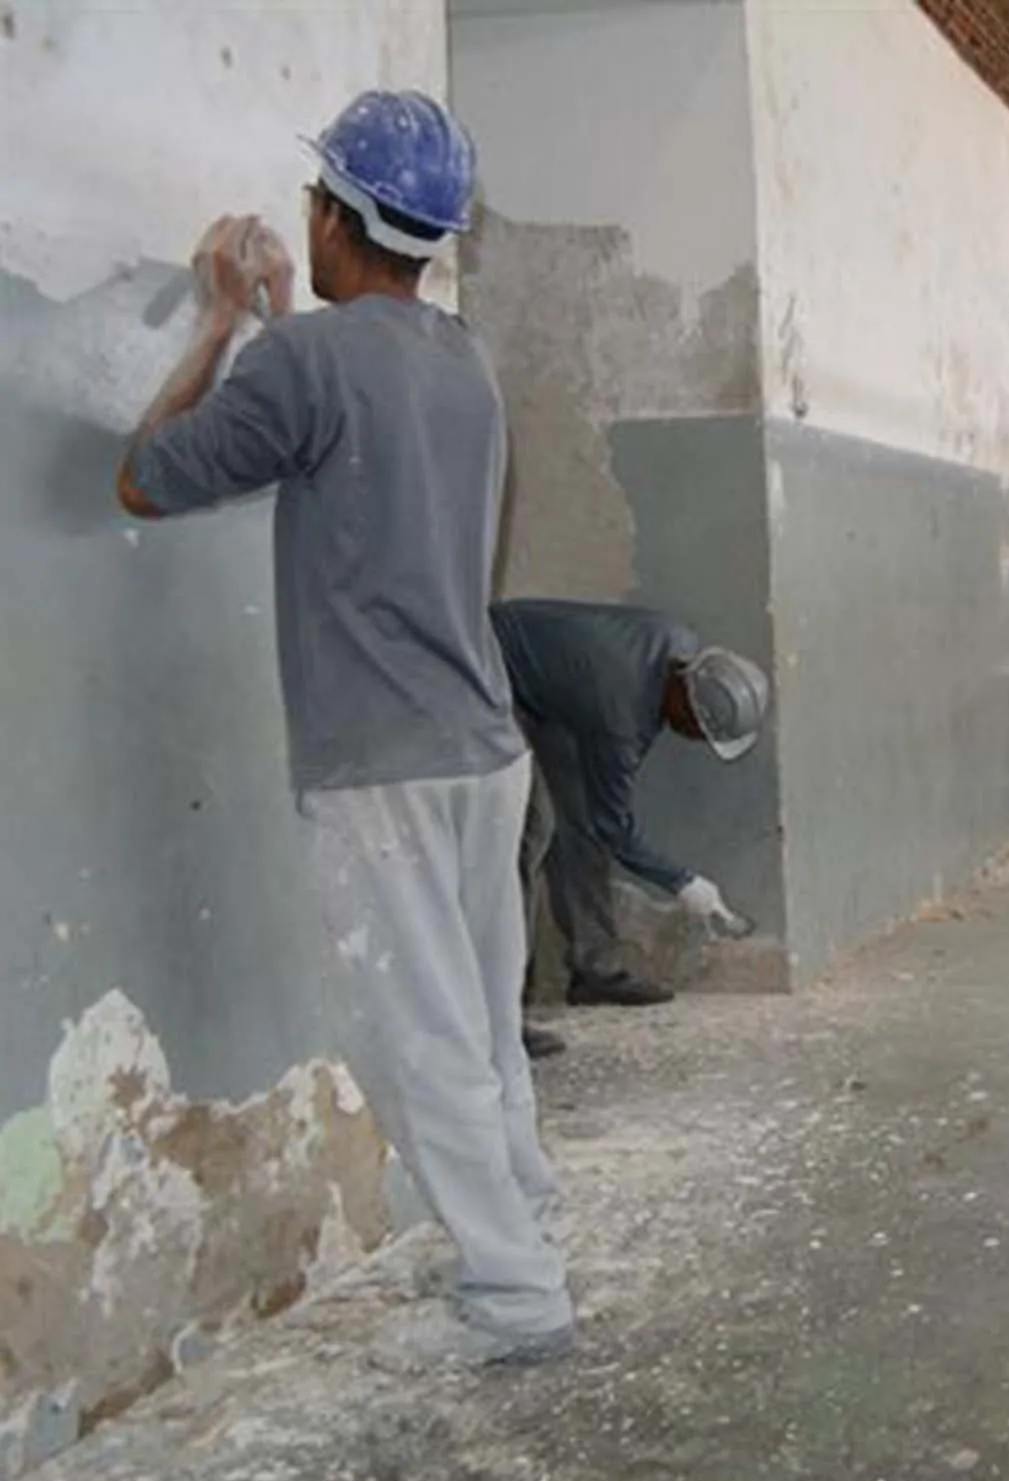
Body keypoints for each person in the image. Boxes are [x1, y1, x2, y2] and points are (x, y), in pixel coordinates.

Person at [115, 91, 573, 1367]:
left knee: (421, 1043)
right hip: (483, 747)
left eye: (318, 202)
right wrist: (273, 330)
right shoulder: (460, 358)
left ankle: (517, 1295)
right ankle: (525, 1217)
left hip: (386, 763)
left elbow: (143, 477)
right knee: (480, 1023)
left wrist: (218, 320)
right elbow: (348, 427)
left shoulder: (303, 363)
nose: (305, 219)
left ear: (339, 216)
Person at [489, 598, 770, 1050]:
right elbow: (614, 826)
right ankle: (500, 1016)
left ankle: (593, 968)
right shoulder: (621, 713)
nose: (696, 740)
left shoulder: (680, 644)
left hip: (546, 687)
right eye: (699, 730)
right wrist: (683, 883)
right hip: (486, 673)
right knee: (530, 831)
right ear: (686, 702)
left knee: (576, 818)